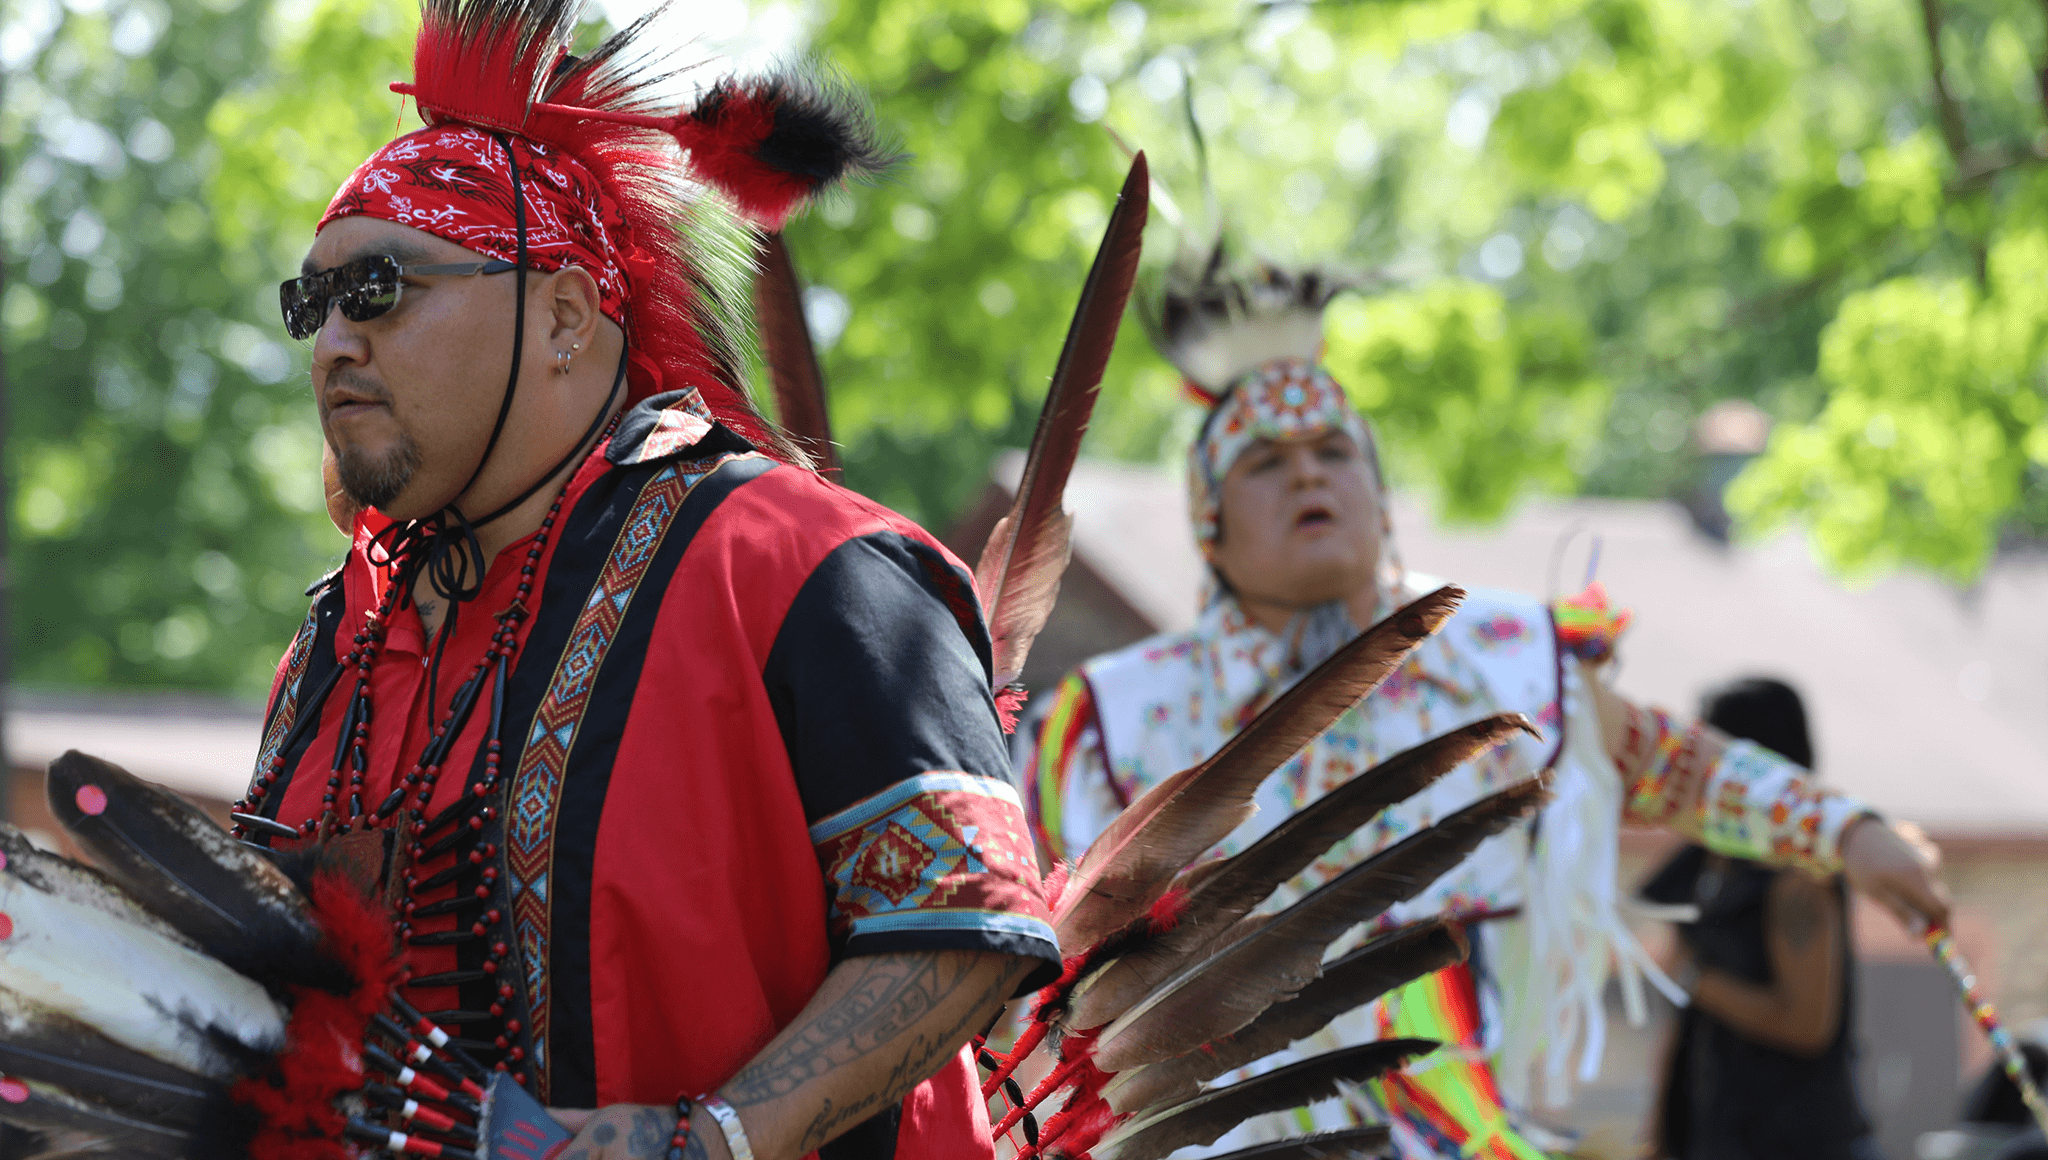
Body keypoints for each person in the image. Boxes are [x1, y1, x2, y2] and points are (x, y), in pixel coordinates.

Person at [230, 2, 1060, 1157]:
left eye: (378, 288)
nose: (331, 341)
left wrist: (715, 1138)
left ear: (564, 314)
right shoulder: (347, 635)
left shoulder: (791, 562)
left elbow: (960, 921)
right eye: (310, 306)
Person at [1021, 258, 1949, 1159]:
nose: (1308, 477)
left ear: (1381, 501)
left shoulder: (1506, 658)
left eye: (1334, 453)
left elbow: (1675, 765)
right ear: (1209, 525)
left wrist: (1847, 831)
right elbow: (1022, 947)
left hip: (1461, 1122)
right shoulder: (1113, 722)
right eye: (1264, 463)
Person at [1641, 677, 1881, 1160]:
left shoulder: (1799, 876)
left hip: (1796, 1144)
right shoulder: (1702, 861)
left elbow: (1808, 1023)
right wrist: (1660, 1135)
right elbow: (1687, 1021)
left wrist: (1694, 980)